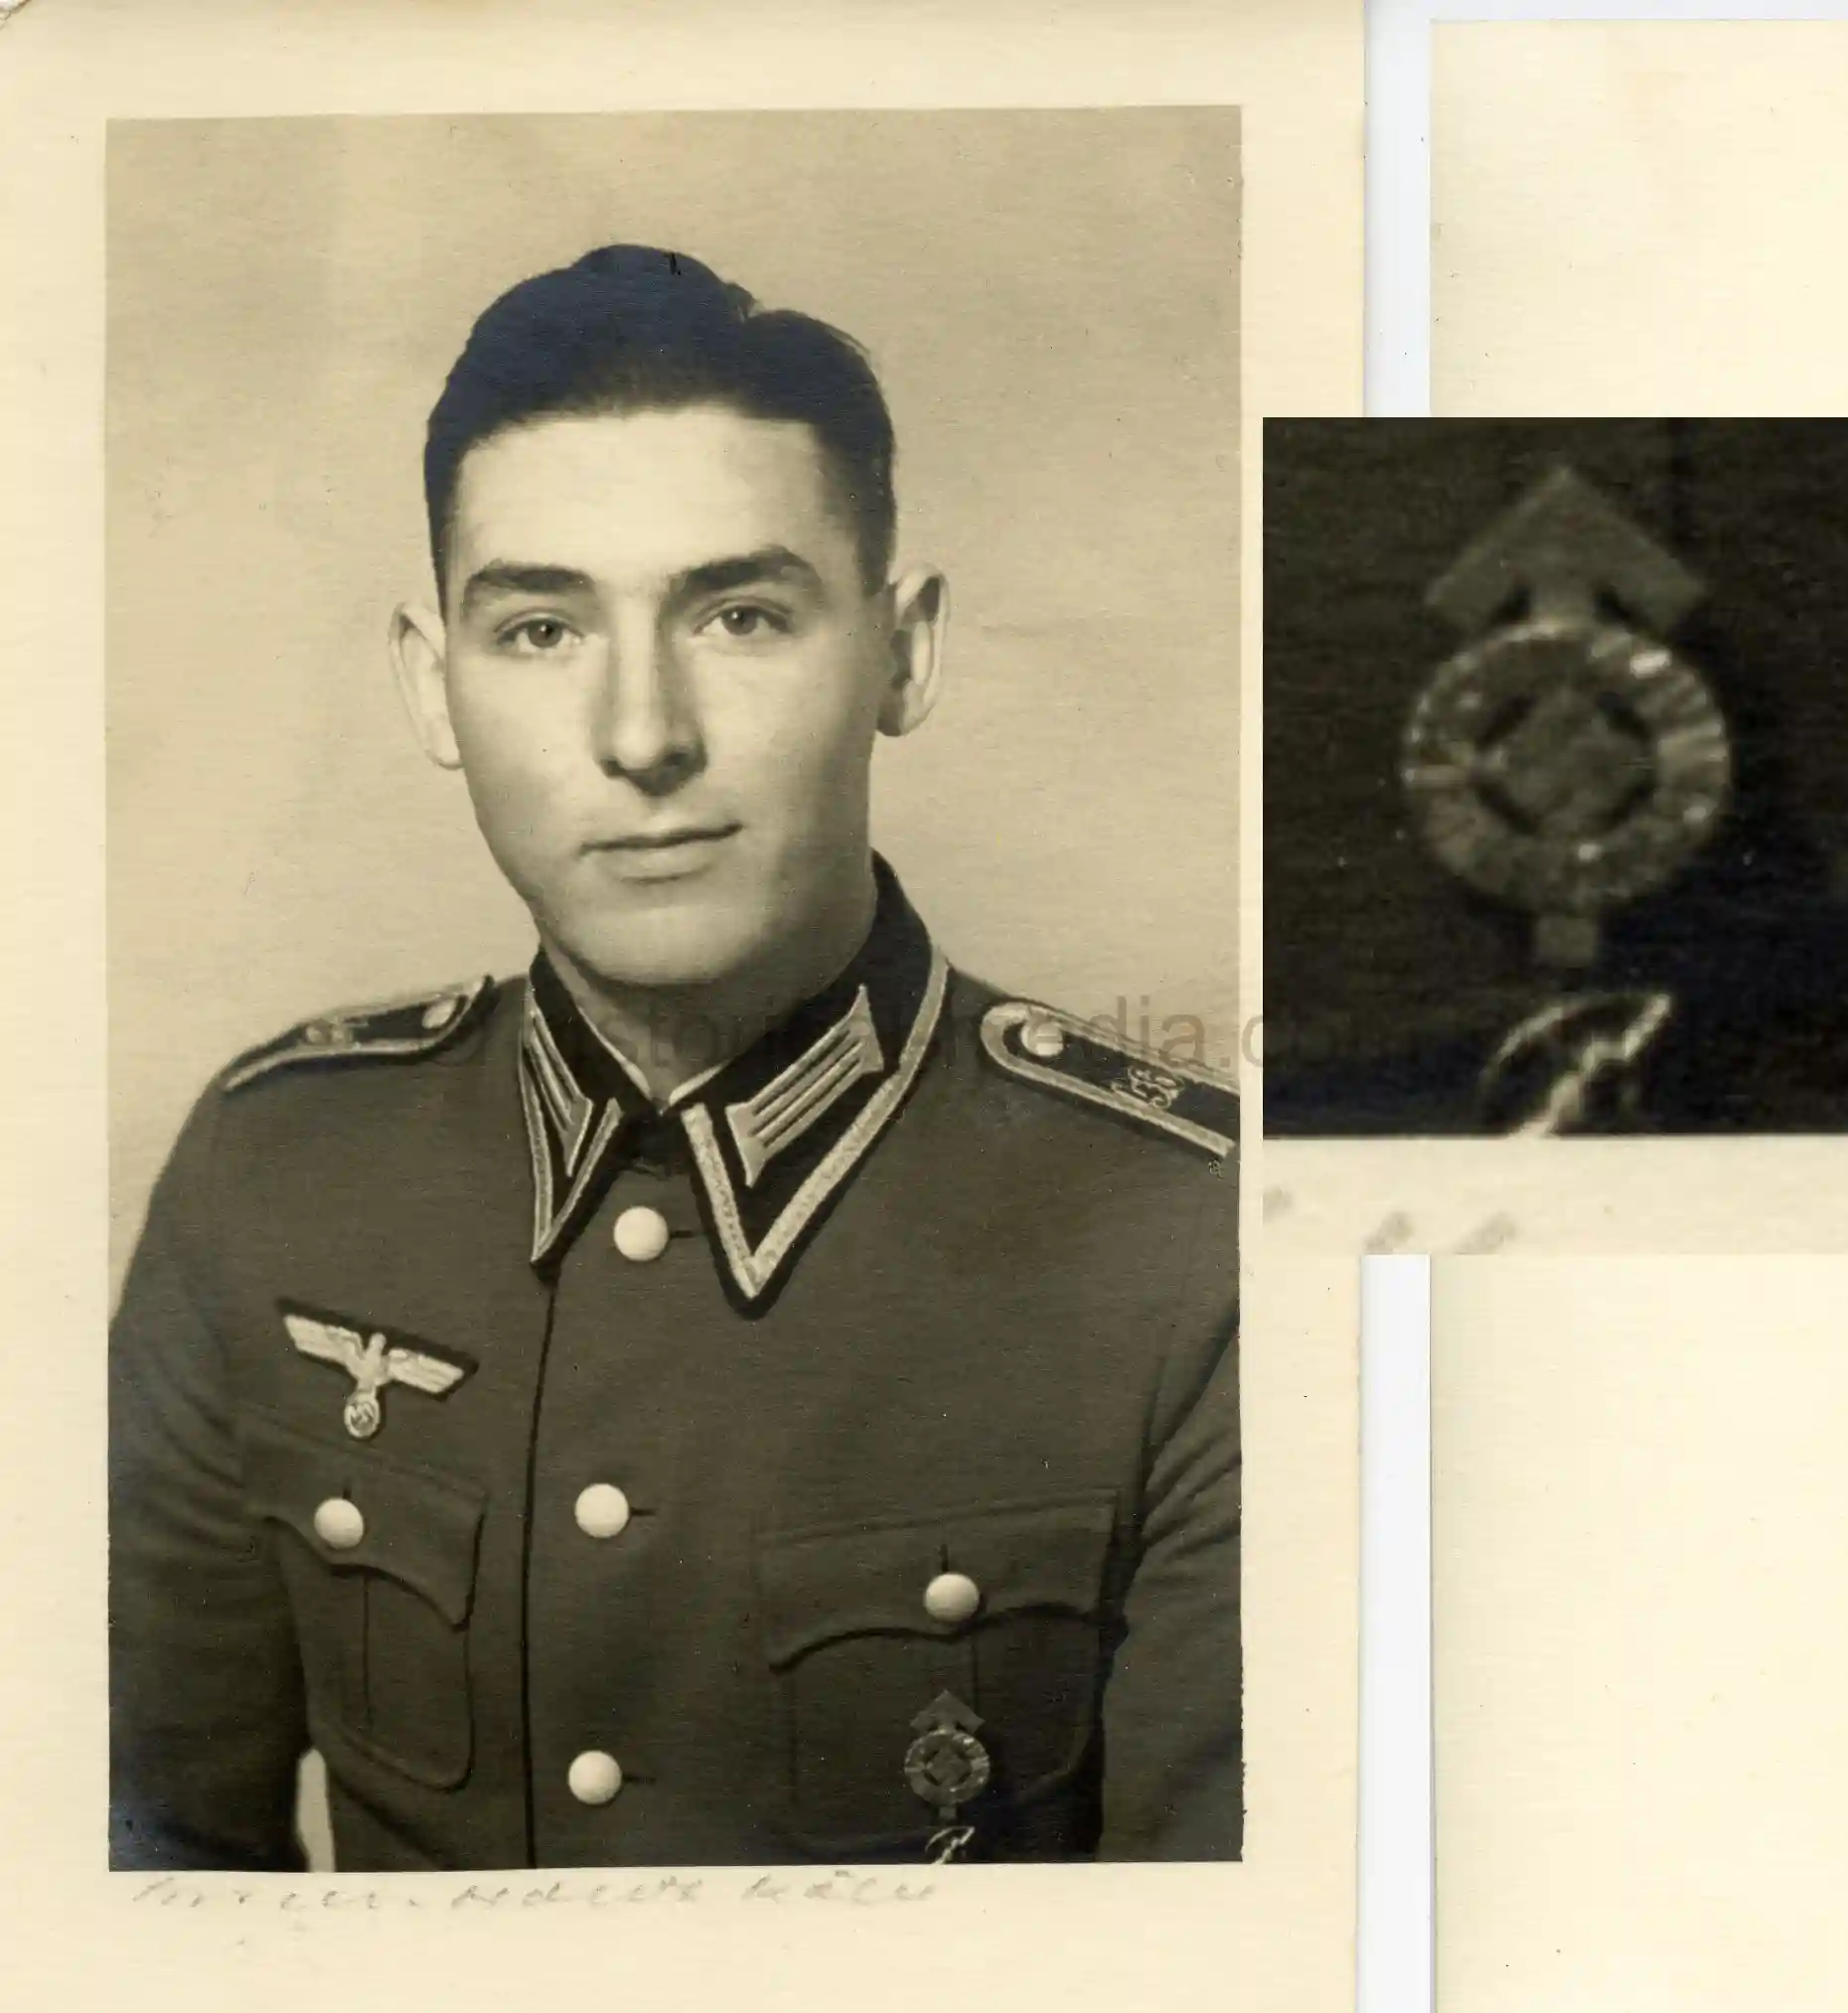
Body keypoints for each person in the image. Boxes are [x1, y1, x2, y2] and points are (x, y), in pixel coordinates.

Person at [108, 245, 1240, 1871]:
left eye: (741, 612)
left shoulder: (1191, 1244)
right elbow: (136, 1894)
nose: (644, 736)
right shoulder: (276, 1171)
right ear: (437, 687)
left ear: (903, 652)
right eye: (543, 629)